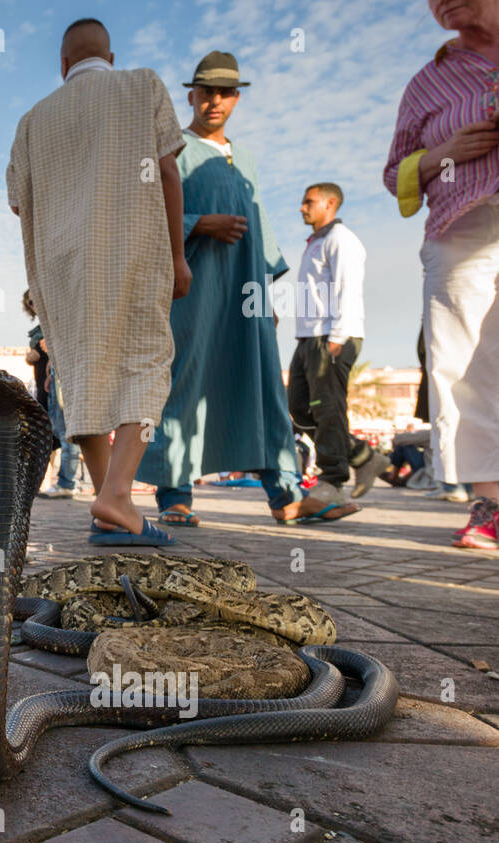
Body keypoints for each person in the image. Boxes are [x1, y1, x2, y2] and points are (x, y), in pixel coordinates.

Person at [134, 52, 356, 528]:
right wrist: (200, 223)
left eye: (225, 93)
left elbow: (261, 229)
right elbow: (147, 214)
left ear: (236, 98)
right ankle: (175, 494)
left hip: (247, 293)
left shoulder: (247, 157)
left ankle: (286, 495)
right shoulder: (171, 149)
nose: (214, 101)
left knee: (259, 387)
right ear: (190, 95)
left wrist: (270, 297)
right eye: (205, 92)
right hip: (193, 288)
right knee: (184, 382)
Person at [6, 19, 190, 546]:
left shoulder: (31, 121)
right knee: (146, 364)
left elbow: (17, 202)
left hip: (60, 264)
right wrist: (178, 257)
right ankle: (117, 494)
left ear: (63, 65)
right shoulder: (142, 85)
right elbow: (169, 173)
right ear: (111, 55)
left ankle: (111, 505)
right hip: (131, 247)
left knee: (81, 376)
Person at [386, 0, 499, 549]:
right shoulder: (428, 82)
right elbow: (396, 173)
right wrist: (445, 153)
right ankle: (490, 501)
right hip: (461, 227)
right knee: (464, 362)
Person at [288, 183, 390, 501]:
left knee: (327, 409)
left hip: (331, 336)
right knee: (299, 409)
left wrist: (337, 337)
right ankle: (362, 455)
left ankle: (332, 482)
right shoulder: (315, 242)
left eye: (309, 202)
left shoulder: (340, 240)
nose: (302, 208)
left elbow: (348, 288)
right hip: (308, 337)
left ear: (331, 203)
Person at [23, 289, 79, 498]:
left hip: (60, 381)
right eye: (29, 302)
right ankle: (53, 482)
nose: (33, 305)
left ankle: (67, 483)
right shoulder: (39, 329)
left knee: (65, 434)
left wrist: (51, 360)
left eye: (35, 300)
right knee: (51, 435)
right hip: (48, 383)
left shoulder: (57, 322)